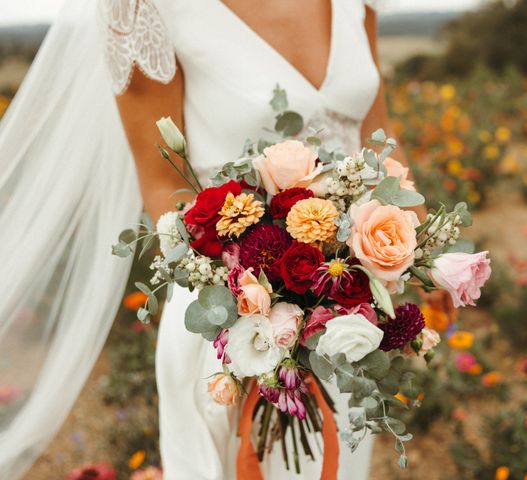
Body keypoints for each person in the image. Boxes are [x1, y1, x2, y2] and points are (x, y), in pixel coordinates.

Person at [0, 0, 410, 478]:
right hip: (226, 326)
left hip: (349, 323)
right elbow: (159, 183)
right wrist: (264, 304)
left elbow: (381, 141)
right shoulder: (140, 8)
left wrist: (414, 254)